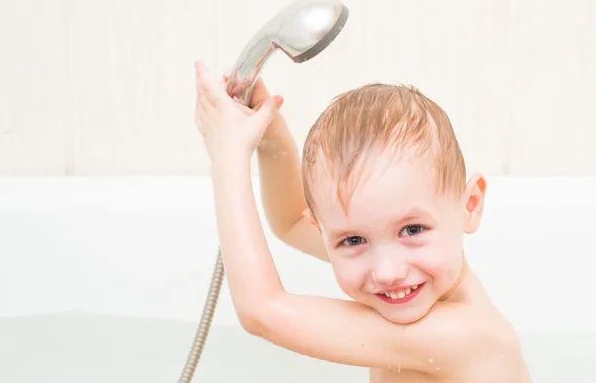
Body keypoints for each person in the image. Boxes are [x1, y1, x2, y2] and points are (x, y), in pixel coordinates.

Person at [193, 60, 531, 382]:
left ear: (469, 206)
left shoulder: (461, 336)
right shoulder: (413, 269)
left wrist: (227, 156)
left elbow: (262, 311)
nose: (387, 272)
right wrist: (269, 136)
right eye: (352, 240)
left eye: (412, 230)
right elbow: (292, 221)